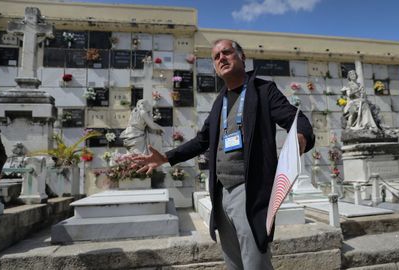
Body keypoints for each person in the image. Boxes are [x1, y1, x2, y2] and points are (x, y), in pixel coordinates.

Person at [132, 39, 314, 269]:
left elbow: (297, 120)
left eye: (227, 53)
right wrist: (167, 157)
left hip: (250, 190)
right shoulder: (220, 102)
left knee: (255, 261)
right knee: (233, 263)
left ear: (242, 57)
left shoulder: (263, 90)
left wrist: (300, 137)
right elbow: (202, 140)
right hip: (221, 194)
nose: (221, 58)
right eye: (216, 57)